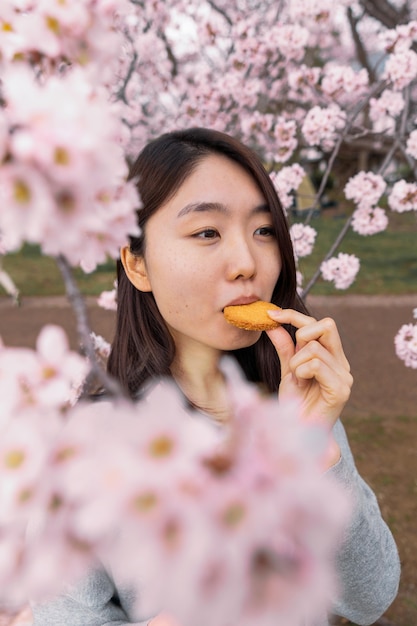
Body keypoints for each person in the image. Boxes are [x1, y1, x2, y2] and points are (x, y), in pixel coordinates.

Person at [32, 128, 401, 626]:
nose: (247, 263)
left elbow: (370, 597)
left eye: (264, 231)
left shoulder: (293, 402)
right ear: (137, 264)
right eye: (207, 232)